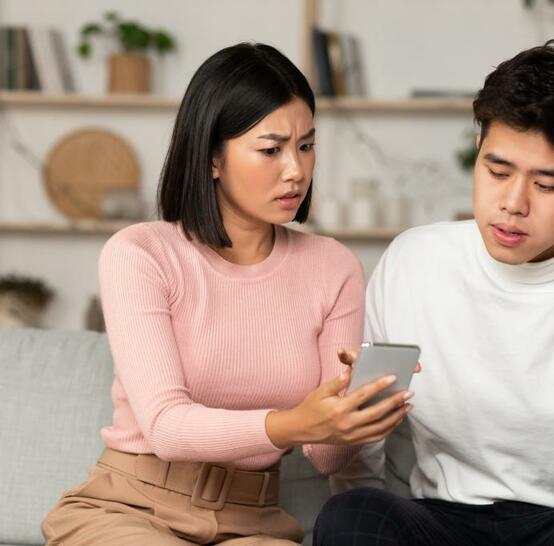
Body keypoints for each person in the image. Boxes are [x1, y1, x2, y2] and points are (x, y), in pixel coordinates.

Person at [314, 40, 554, 546]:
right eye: (497, 172)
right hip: (442, 521)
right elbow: (362, 444)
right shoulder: (414, 262)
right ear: (477, 154)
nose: (512, 204)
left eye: (545, 185)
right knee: (352, 514)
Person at [41, 42, 413, 546]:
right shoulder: (141, 254)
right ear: (213, 157)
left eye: (306, 145)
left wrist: (356, 411)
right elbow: (166, 427)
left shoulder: (334, 267)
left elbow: (326, 457)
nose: (296, 171)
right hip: (131, 508)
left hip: (254, 519)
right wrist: (292, 423)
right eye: (271, 148)